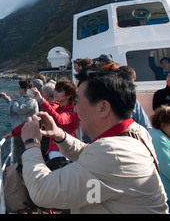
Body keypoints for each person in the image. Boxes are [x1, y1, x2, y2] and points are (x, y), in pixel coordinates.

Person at [20, 69, 168, 213]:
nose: (76, 109)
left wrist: (31, 144)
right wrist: (61, 136)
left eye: (78, 102)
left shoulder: (113, 154)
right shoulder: (137, 132)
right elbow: (90, 154)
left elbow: (41, 191)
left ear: (103, 108)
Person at [30, 79, 80, 170]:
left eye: (59, 90)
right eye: (55, 89)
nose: (55, 92)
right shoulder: (60, 108)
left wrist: (41, 100)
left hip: (62, 156)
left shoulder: (72, 112)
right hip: (55, 153)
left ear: (69, 95)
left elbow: (59, 120)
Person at [0, 79, 38, 164]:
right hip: (19, 130)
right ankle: (21, 168)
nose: (19, 89)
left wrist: (14, 100)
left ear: (25, 89)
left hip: (26, 132)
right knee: (19, 152)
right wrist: (6, 98)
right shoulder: (25, 98)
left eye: (20, 88)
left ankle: (23, 170)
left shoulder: (32, 101)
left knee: (25, 152)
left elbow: (19, 109)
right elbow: (15, 104)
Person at [149, 105, 170, 205]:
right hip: (166, 195)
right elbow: (167, 168)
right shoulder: (159, 139)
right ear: (163, 123)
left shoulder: (157, 135)